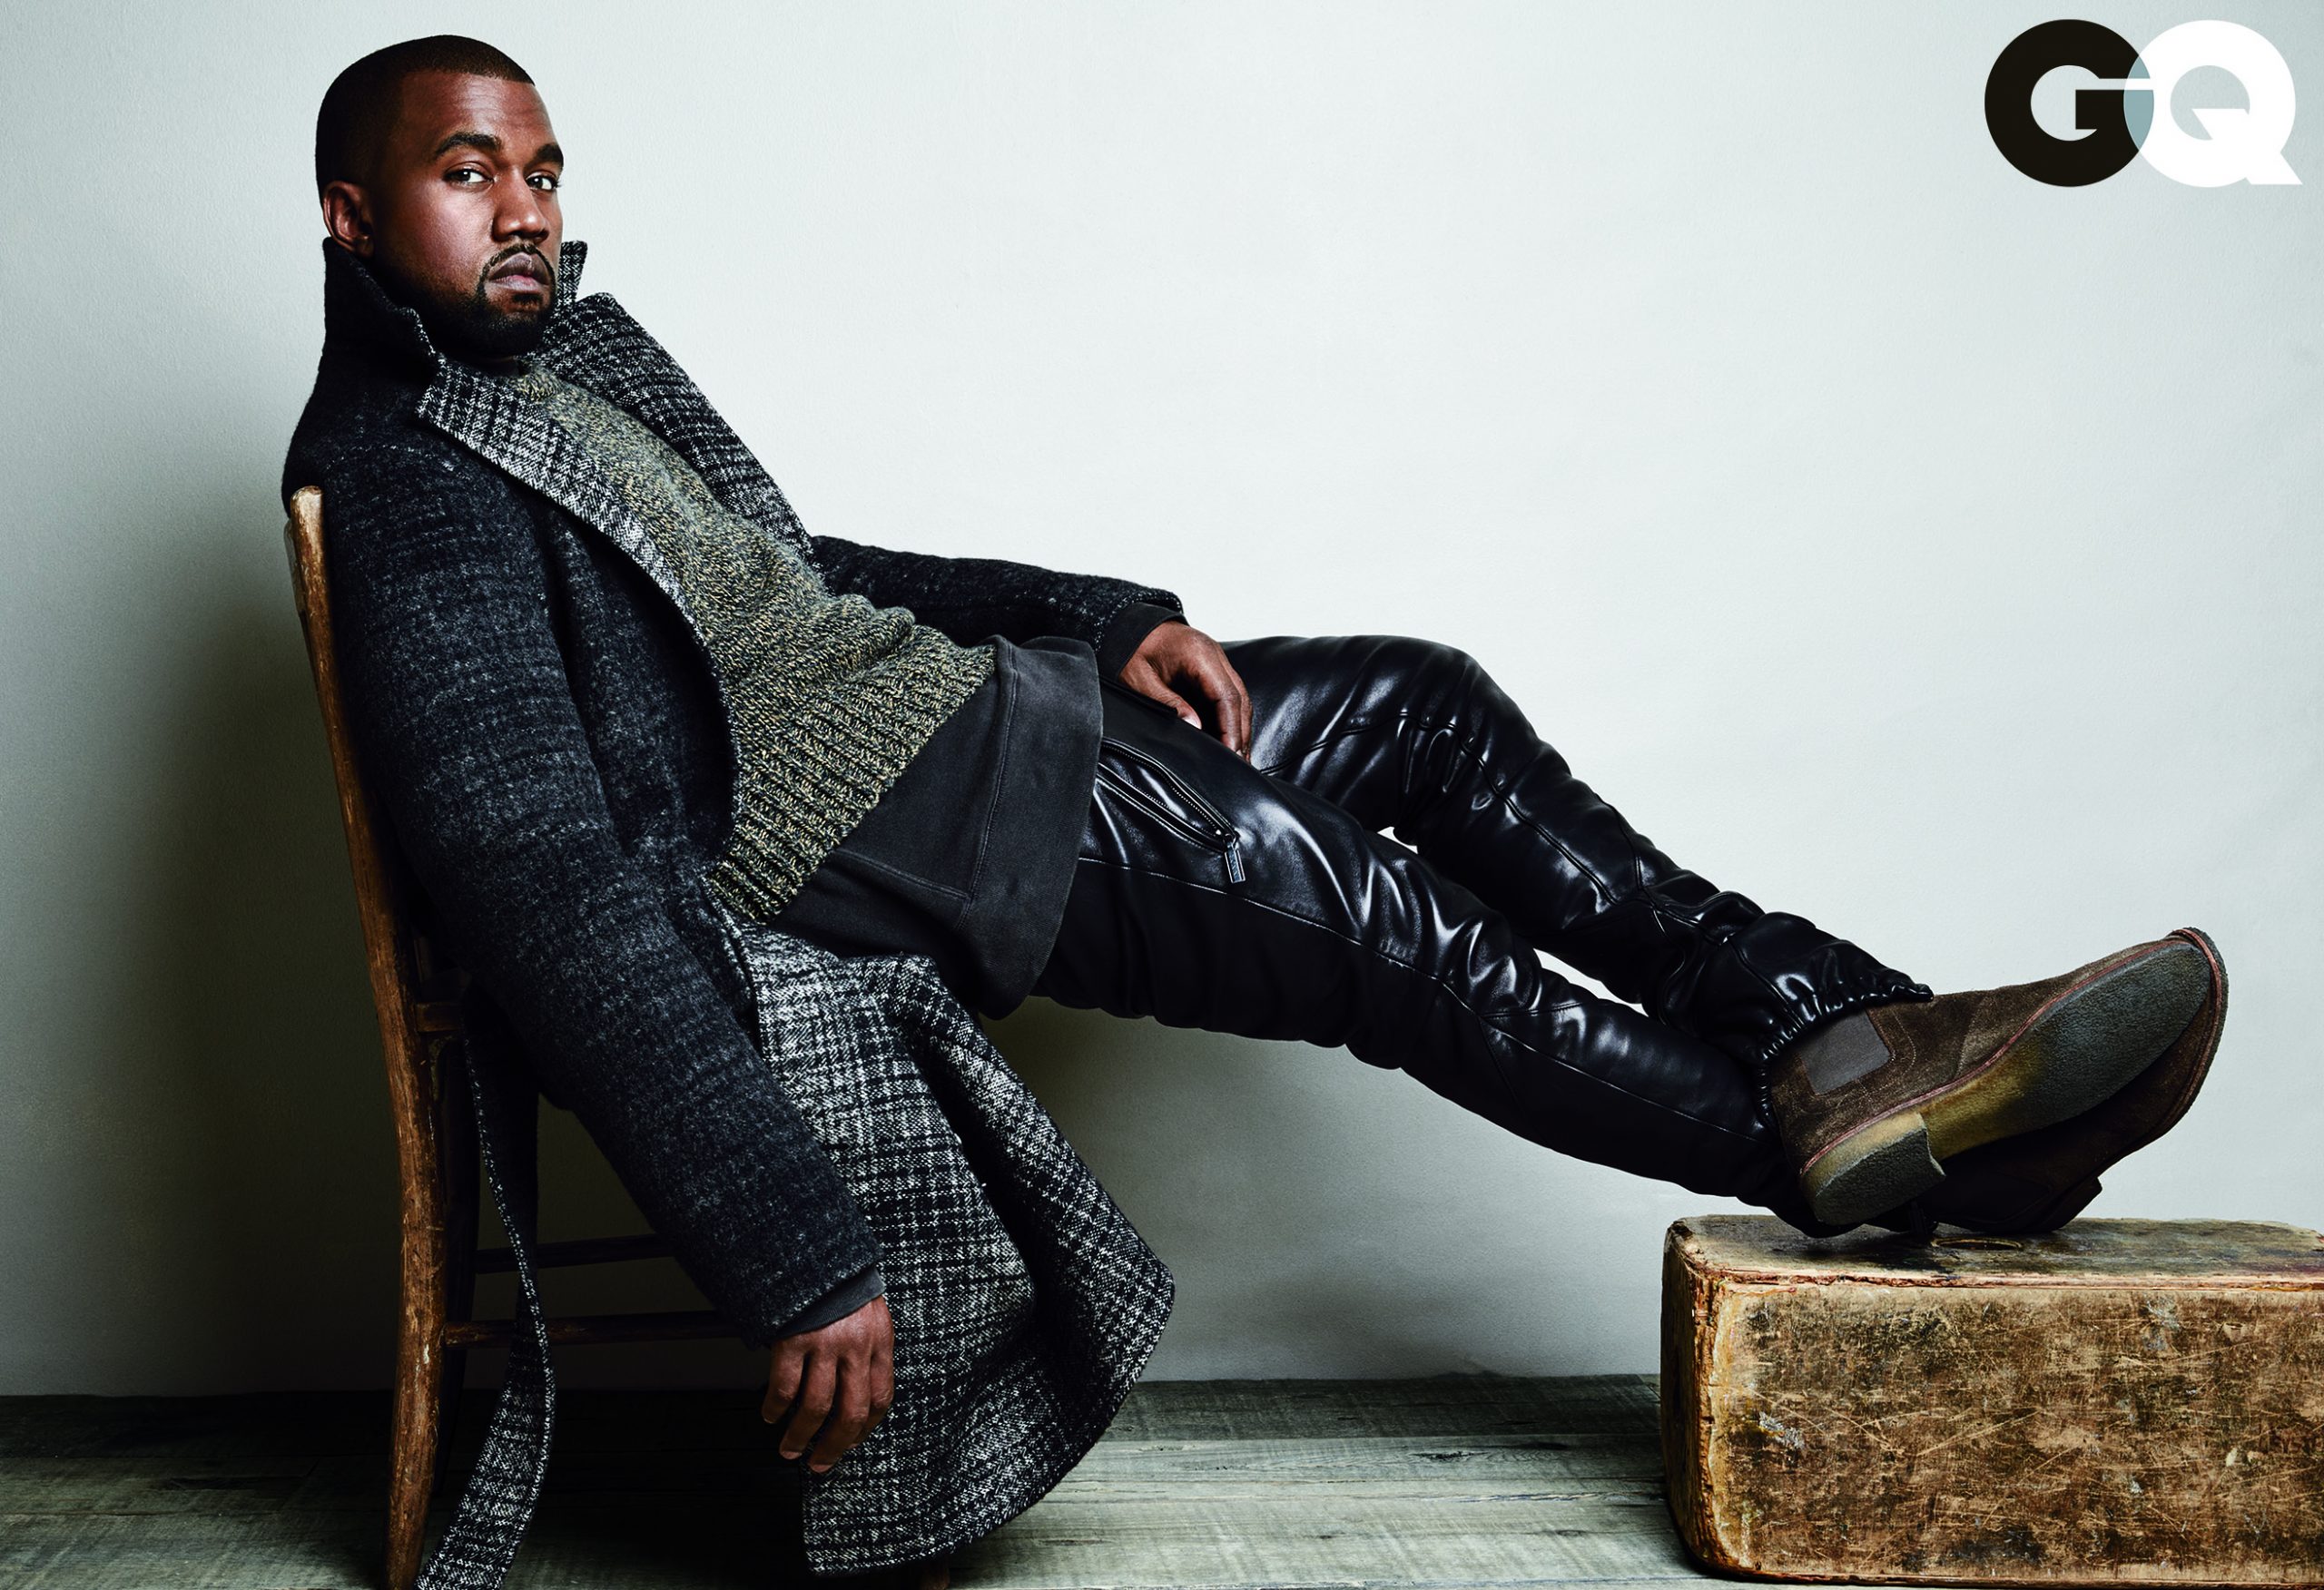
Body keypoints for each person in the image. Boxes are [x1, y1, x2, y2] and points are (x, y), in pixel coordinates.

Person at [282, 34, 2228, 1583]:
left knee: (1413, 703)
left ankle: (1857, 1028)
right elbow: (538, 882)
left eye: (544, 171)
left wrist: (1102, 618)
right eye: (470, 174)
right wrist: (785, 1243)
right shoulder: (405, 478)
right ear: (353, 216)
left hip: (970, 715)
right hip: (900, 826)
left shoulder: (563, 378)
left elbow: (798, 577)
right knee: (1384, 926)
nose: (526, 210)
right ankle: (1891, 1160)